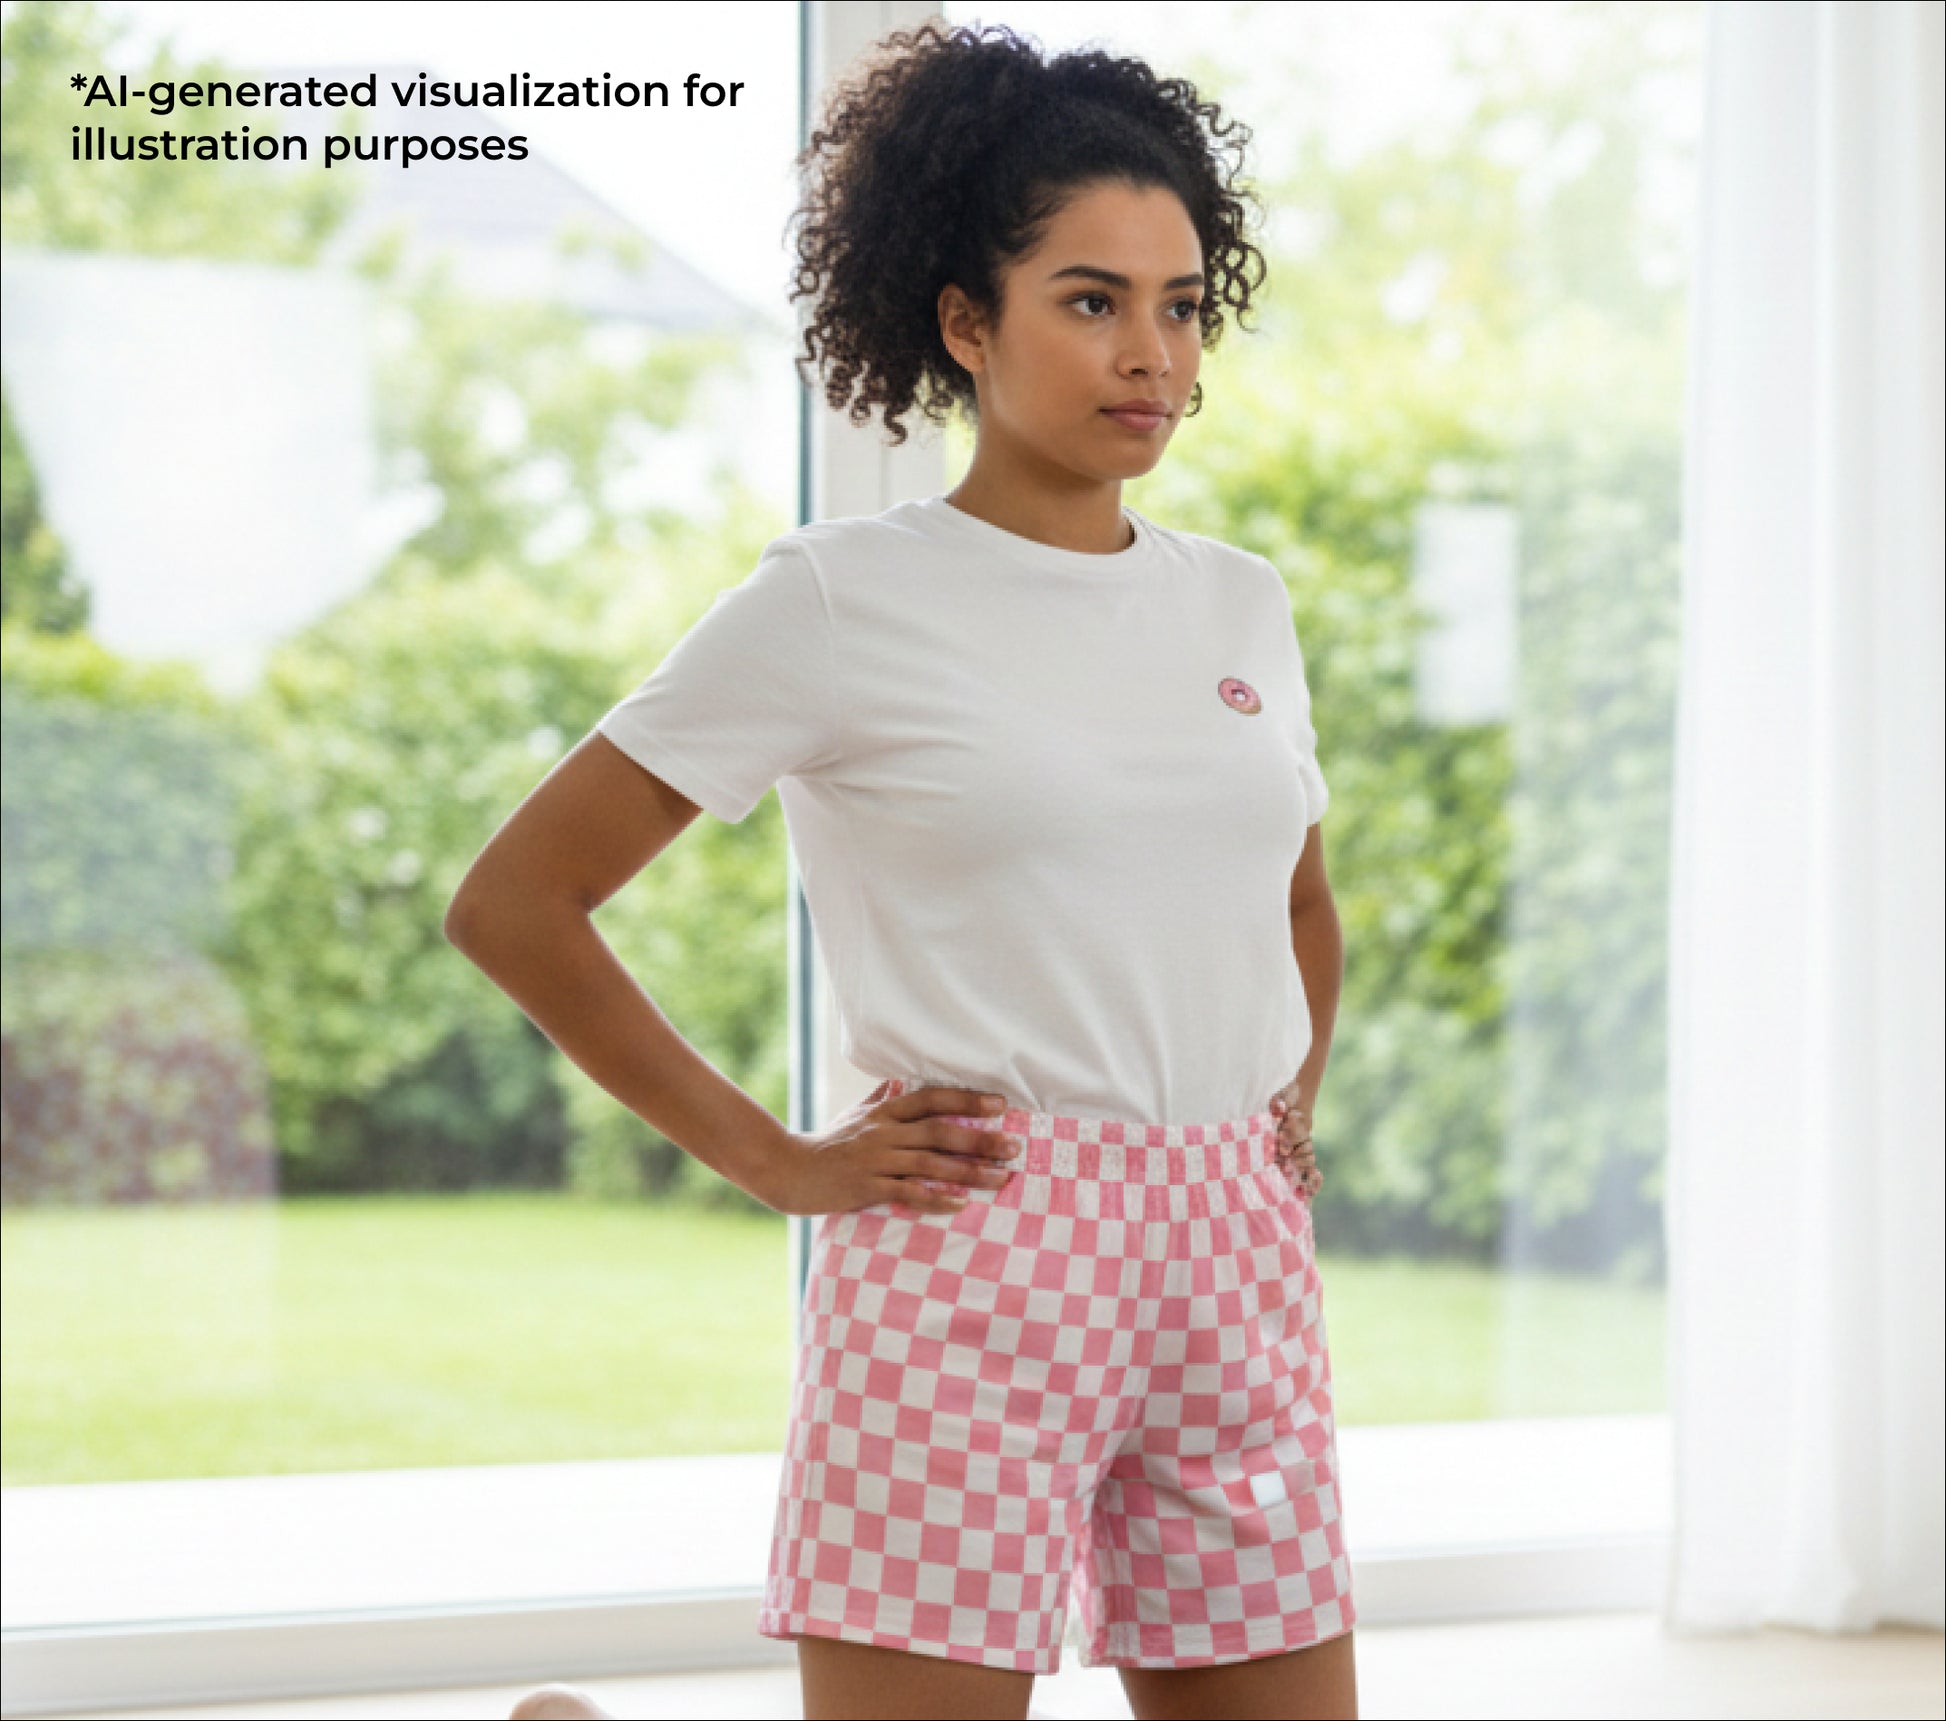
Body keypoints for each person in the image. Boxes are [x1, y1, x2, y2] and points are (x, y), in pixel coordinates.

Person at [462, 20, 1355, 1721]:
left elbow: (1291, 892)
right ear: (965, 320)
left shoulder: (1239, 600)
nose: (1149, 353)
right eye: (1090, 300)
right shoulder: (836, 599)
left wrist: (1284, 1094)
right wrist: (774, 1160)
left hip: (1236, 1260)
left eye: (1179, 304)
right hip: (973, 1260)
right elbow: (515, 901)